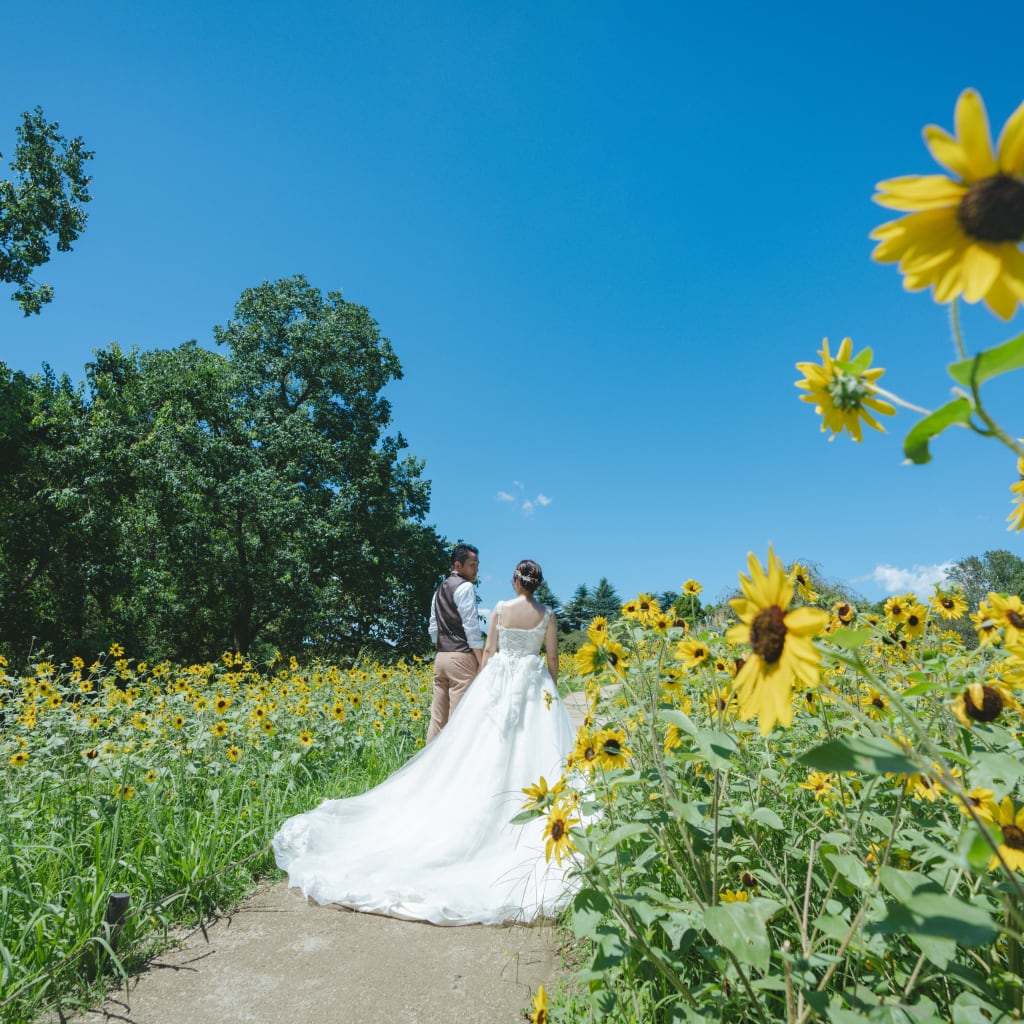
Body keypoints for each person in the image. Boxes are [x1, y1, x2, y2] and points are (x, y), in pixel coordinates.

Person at [272, 559, 576, 925]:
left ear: (515, 580)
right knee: (535, 750)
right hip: (532, 684)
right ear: (538, 584)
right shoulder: (548, 615)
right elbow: (553, 657)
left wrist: (484, 686)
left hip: (500, 681)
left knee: (481, 749)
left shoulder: (500, 609)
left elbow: (491, 651)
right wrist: (551, 686)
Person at [427, 543, 483, 742]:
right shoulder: (466, 587)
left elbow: (433, 627)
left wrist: (441, 646)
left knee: (437, 719)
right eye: (472, 564)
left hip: (440, 657)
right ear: (458, 565)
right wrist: (481, 661)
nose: (476, 569)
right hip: (461, 657)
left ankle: (428, 766)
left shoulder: (439, 590)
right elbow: (471, 628)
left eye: (477, 564)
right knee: (459, 720)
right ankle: (453, 771)